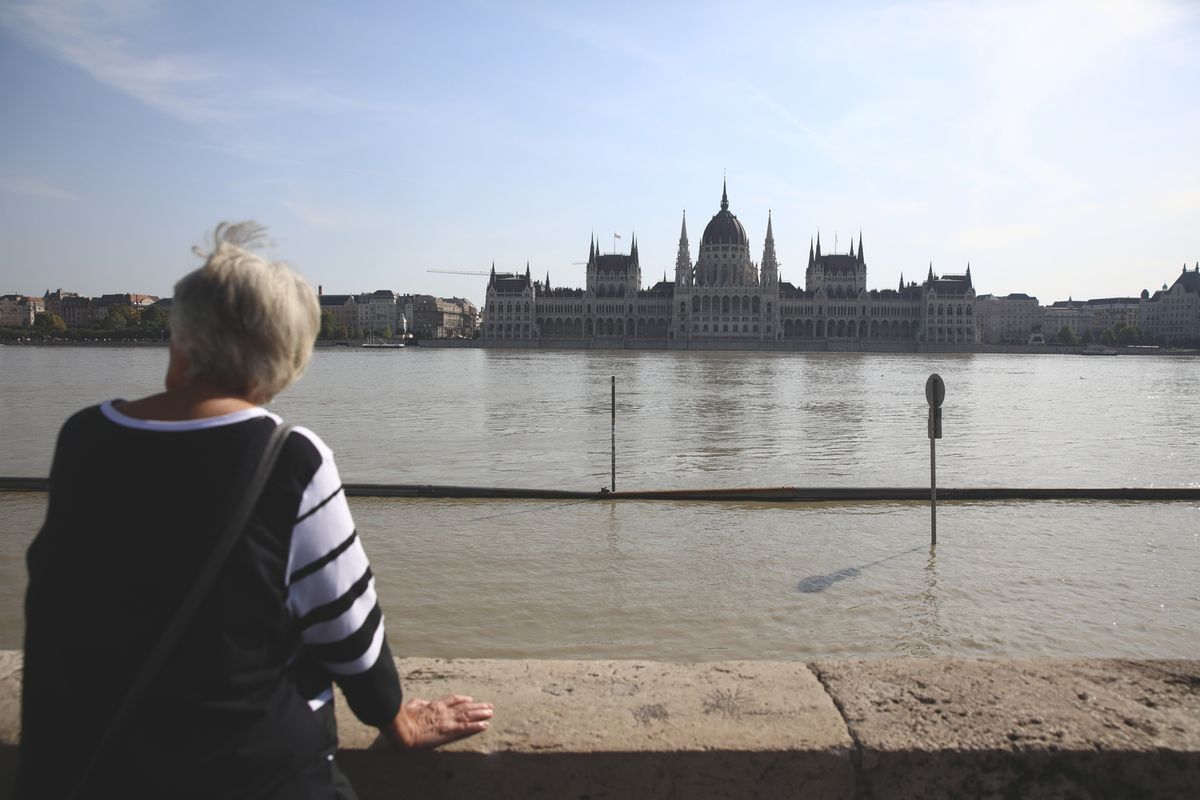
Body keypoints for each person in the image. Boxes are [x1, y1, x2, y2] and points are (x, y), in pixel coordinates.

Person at [19, 222, 493, 799]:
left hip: (77, 771)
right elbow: (350, 632)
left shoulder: (84, 437)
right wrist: (395, 719)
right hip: (245, 772)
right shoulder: (289, 459)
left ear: (179, 336)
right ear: (286, 362)